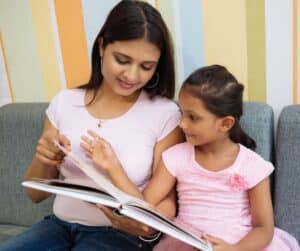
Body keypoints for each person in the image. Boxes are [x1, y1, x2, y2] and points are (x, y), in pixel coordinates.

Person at [0, 1, 184, 251]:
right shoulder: (64, 102)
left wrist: (146, 230)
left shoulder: (165, 114)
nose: (132, 76)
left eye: (146, 67)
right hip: (57, 225)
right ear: (101, 46)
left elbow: (166, 206)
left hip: (118, 234)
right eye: (122, 60)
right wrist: (45, 158)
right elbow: (35, 195)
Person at [84, 65, 300, 251]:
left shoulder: (252, 166)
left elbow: (264, 228)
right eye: (182, 113)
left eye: (193, 118)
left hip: (237, 244)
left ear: (225, 124)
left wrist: (235, 249)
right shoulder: (176, 157)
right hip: (186, 243)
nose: (182, 124)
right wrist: (113, 167)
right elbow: (145, 206)